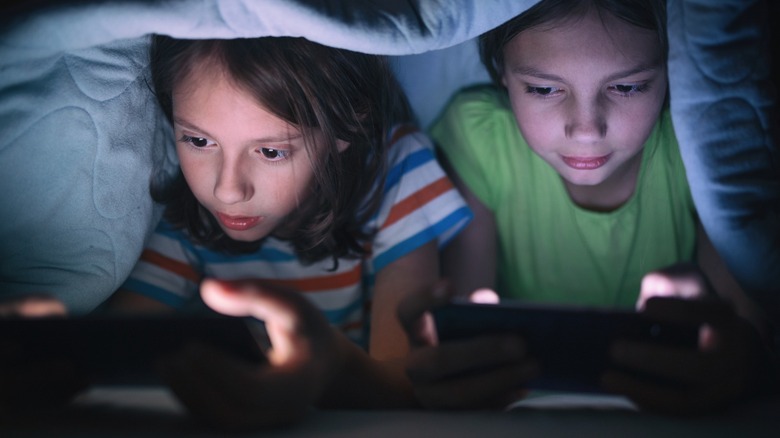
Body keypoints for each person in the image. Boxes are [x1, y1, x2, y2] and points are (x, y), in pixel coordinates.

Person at [399, 0, 776, 413]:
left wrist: (740, 363)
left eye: (628, 86)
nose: (586, 129)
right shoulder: (478, 138)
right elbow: (466, 330)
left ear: (673, 72)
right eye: (544, 89)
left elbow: (745, 327)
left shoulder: (697, 145)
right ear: (502, 73)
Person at [105, 35, 470, 429]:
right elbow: (110, 351)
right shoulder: (182, 202)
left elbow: (409, 379)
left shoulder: (395, 174)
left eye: (272, 151)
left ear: (344, 125)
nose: (228, 190)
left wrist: (331, 368)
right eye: (199, 140)